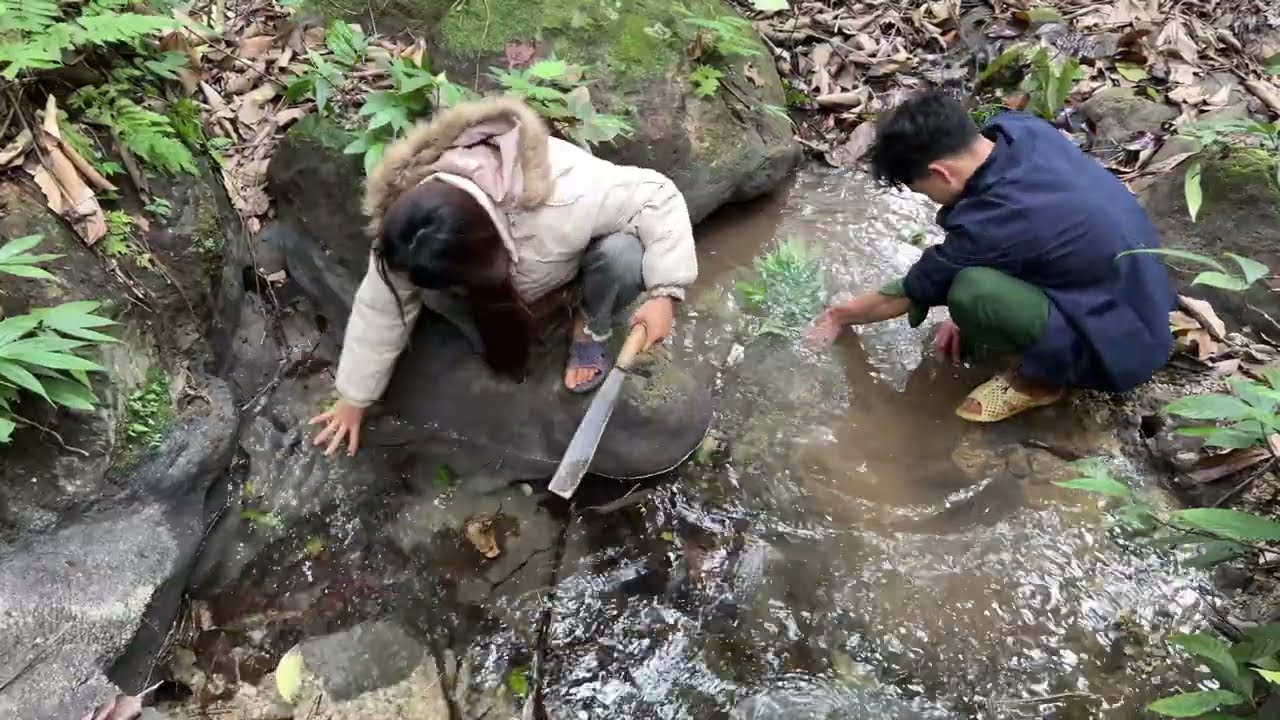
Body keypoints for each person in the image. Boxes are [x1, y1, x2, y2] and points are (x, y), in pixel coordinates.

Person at [310, 97, 698, 456]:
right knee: (457, 318)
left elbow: (657, 196)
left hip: (559, 273)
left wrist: (665, 293)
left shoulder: (568, 193)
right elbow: (381, 308)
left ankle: (588, 327)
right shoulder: (407, 230)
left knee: (624, 256)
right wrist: (354, 398)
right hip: (489, 286)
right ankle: (493, 326)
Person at [809, 90, 1176, 422]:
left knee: (972, 293)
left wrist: (839, 316)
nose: (929, 200)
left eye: (924, 191)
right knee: (974, 291)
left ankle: (1042, 382)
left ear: (940, 173)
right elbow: (1032, 239)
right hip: (1142, 299)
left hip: (1121, 352)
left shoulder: (990, 223)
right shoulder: (1019, 130)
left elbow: (911, 290)